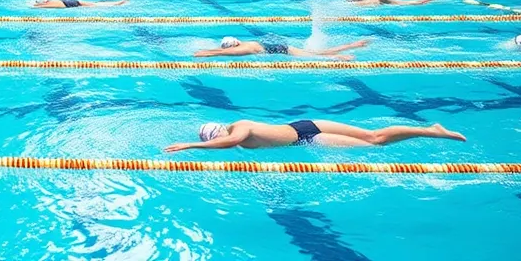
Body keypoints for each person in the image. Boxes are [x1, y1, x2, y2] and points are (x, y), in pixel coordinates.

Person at [166, 120, 465, 152]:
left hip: (307, 137)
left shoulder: (239, 129)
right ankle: (431, 131)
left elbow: (228, 142)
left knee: (375, 141)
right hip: (303, 127)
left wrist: (193, 145)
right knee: (374, 139)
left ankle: (431, 131)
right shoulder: (236, 136)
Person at [195, 36, 370, 60]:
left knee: (317, 57)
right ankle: (352, 45)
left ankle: (341, 58)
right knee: (317, 53)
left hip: (286, 51)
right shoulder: (248, 43)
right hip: (283, 48)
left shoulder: (246, 48)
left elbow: (227, 52)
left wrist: (207, 53)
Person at [31, 0, 129, 9]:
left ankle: (117, 3)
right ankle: (116, 3)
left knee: (96, 5)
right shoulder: (51, 2)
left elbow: (36, 6)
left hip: (75, 3)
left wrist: (36, 5)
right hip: (74, 1)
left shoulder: (50, 4)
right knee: (96, 4)